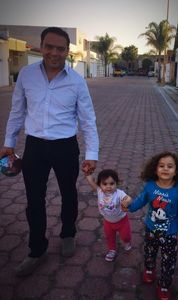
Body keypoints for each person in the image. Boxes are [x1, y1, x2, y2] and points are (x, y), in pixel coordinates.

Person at [0, 27, 99, 276]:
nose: (54, 53)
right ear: (41, 46)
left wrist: (91, 154)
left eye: (60, 48)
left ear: (67, 51)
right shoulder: (26, 75)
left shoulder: (76, 81)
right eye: (49, 46)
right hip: (34, 147)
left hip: (65, 146)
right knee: (34, 199)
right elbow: (17, 111)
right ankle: (37, 249)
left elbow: (88, 120)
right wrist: (9, 142)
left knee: (68, 193)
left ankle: (68, 234)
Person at [121, 152, 178, 300]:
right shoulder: (150, 186)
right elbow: (141, 200)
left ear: (176, 171)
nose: (165, 169)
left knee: (168, 260)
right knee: (150, 252)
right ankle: (149, 270)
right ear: (155, 169)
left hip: (170, 234)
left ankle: (164, 284)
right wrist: (130, 207)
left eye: (170, 166)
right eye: (161, 166)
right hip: (151, 229)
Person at [85, 169, 132, 262]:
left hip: (122, 220)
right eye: (105, 184)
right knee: (109, 237)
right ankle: (112, 250)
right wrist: (88, 174)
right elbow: (91, 182)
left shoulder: (119, 193)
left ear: (116, 183)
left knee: (126, 236)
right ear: (100, 185)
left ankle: (127, 242)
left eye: (112, 183)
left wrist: (127, 201)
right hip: (108, 222)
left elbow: (128, 198)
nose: (108, 187)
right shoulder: (99, 191)